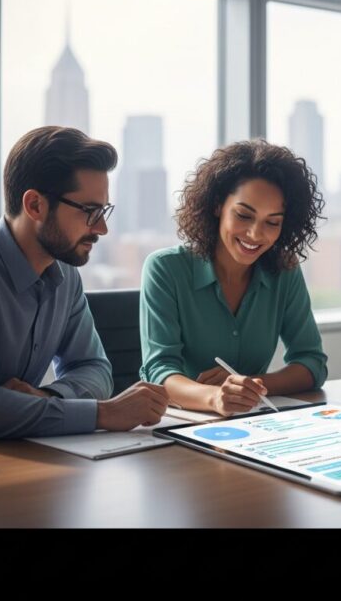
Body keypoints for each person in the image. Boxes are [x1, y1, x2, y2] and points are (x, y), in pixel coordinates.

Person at [0, 126, 169, 440]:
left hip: (14, 449)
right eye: (90, 211)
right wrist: (104, 413)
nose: (102, 229)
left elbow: (95, 368)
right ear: (35, 206)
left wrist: (49, 398)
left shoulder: (65, 273)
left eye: (104, 210)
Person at [139, 139, 328, 416]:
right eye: (243, 215)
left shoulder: (284, 270)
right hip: (180, 426)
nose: (255, 234)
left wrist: (251, 386)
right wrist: (215, 398)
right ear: (217, 205)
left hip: (250, 425)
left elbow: (312, 363)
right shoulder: (165, 269)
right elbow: (159, 371)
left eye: (272, 222)